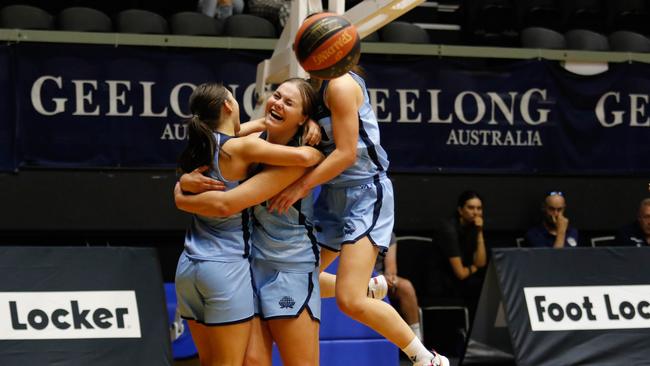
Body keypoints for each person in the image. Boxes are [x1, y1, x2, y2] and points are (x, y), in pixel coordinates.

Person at [266, 65, 448, 366]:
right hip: (333, 197)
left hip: (365, 193)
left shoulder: (340, 85)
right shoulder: (313, 90)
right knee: (296, 278)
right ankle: (366, 287)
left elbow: (347, 153)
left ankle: (426, 359)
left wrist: (301, 188)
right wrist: (308, 119)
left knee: (349, 301)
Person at [174, 79, 323, 366]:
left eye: (288, 102)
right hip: (234, 266)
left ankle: (358, 289)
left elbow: (249, 133)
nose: (277, 102)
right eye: (276, 95)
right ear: (229, 105)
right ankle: (356, 289)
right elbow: (226, 203)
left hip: (281, 263)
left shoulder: (209, 141)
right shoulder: (248, 147)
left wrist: (181, 192)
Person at [433, 190, 487, 320]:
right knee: (481, 288)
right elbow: (460, 273)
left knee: (487, 286)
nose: (476, 212)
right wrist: (474, 268)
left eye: (479, 208)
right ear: (460, 210)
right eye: (471, 208)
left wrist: (479, 232)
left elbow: (481, 262)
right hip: (439, 282)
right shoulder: (448, 230)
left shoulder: (473, 228)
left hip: (460, 280)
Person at [375, 232, 424, 342]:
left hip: (380, 278)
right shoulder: (356, 230)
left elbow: (391, 270)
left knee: (406, 286)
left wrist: (390, 278)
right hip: (359, 279)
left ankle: (416, 340)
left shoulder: (388, 234)